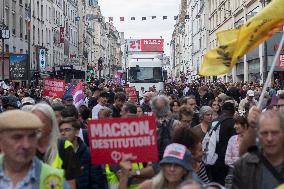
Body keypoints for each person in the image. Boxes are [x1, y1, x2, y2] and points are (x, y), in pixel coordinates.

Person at [0, 110, 70, 189]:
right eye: (17, 137)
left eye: (32, 136)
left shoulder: (55, 180)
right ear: (1, 140)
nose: (26, 145)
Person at [32, 103, 82, 189]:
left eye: (41, 121)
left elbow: (71, 182)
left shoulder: (64, 146)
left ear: (51, 123)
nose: (37, 125)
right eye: (34, 121)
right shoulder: (25, 148)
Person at [232, 110, 284, 189]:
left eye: (275, 133)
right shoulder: (244, 166)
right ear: (257, 134)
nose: (269, 138)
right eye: (264, 133)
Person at [59, 117, 108, 189]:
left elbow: (97, 181)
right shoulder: (56, 153)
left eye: (67, 130)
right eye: (61, 131)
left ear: (77, 131)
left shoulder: (89, 154)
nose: (63, 133)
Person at [135, 143, 201, 189]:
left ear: (185, 170)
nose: (172, 169)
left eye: (177, 165)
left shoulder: (194, 187)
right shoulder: (150, 186)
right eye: (168, 164)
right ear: (163, 167)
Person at [206, 101, 236, 185]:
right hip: (224, 159)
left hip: (211, 157)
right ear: (233, 111)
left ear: (222, 110)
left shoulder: (213, 122)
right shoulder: (233, 123)